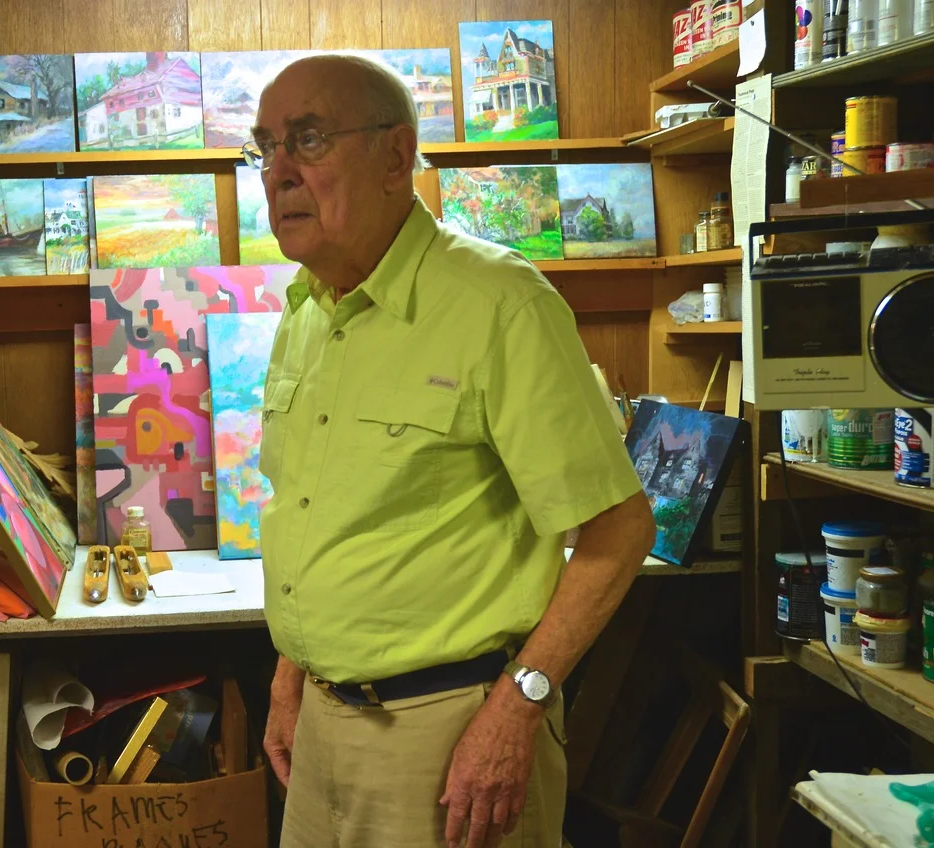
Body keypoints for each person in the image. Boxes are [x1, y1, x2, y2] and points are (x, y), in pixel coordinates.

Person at [249, 54, 657, 848]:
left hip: (454, 736)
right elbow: (314, 515)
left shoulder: (499, 305)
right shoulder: (305, 312)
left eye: (307, 139)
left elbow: (618, 532)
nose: (278, 172)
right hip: (320, 729)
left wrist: (517, 708)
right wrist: (291, 677)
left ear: (395, 156)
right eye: (265, 145)